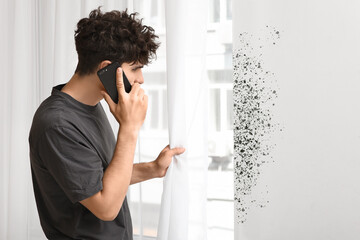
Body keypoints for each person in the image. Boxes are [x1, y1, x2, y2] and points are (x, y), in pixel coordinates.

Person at [28, 7, 185, 240]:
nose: (141, 79)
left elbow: (98, 180)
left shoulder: (93, 105)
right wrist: (129, 128)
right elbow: (106, 207)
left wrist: (152, 169)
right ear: (106, 69)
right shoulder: (57, 125)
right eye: (135, 68)